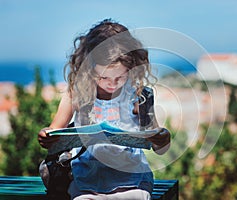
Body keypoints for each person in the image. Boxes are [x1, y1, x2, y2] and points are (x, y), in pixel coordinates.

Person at [38, 19, 170, 200]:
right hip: (87, 178)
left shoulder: (139, 96)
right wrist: (46, 136)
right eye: (104, 77)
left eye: (120, 77)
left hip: (131, 180)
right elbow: (53, 133)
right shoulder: (76, 94)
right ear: (89, 68)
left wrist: (161, 138)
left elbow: (159, 147)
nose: (112, 84)